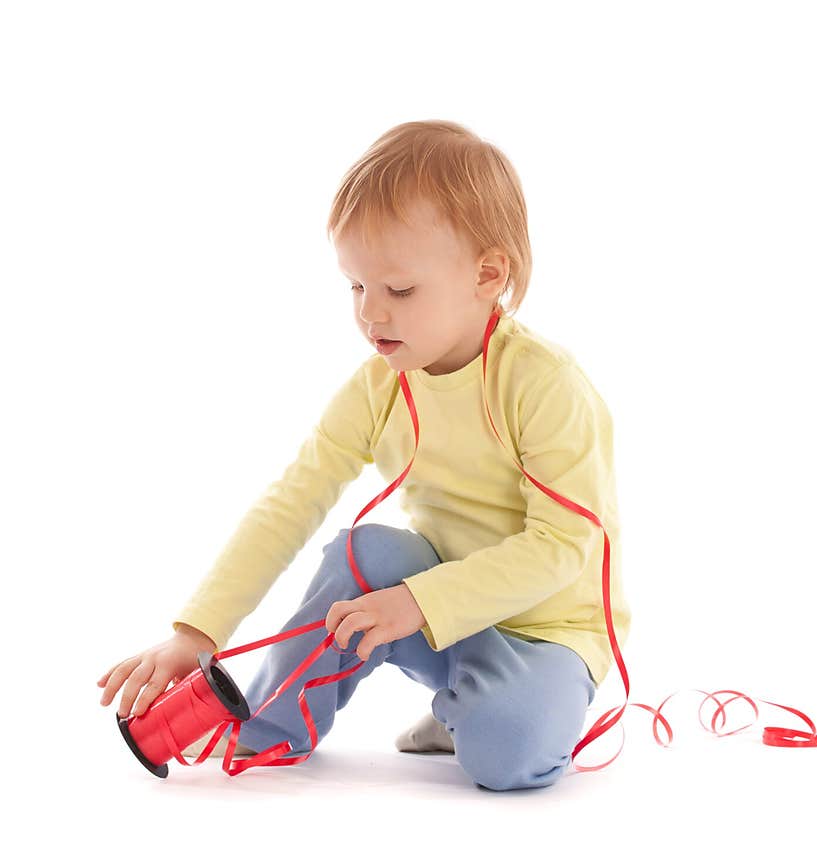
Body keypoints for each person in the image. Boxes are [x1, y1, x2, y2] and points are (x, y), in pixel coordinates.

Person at [97, 119, 631, 791]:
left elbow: (563, 546)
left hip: (547, 630)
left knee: (509, 756)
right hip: (432, 609)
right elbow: (293, 501)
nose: (370, 314)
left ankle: (492, 710)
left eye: (399, 291)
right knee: (360, 555)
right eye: (355, 286)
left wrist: (419, 600)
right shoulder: (380, 383)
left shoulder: (543, 384)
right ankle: (268, 726)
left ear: (488, 274)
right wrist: (197, 630)